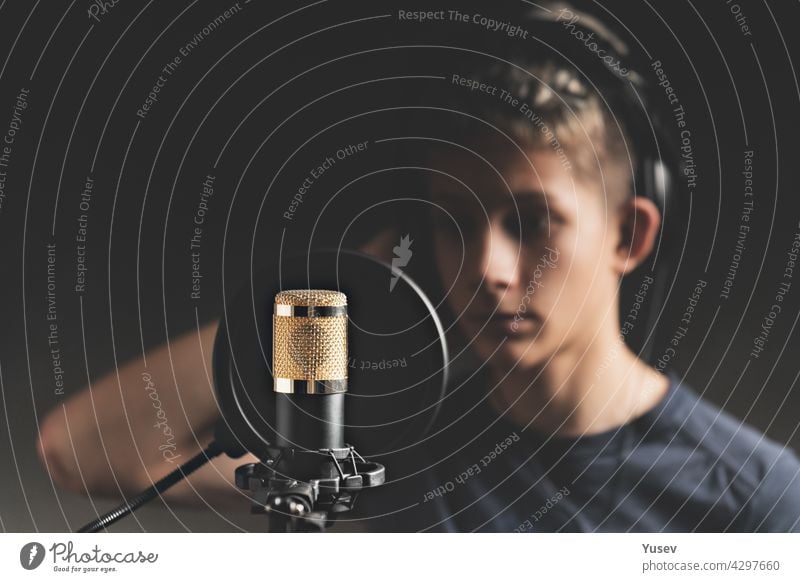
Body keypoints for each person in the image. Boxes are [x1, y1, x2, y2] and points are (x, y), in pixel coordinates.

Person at [37, 1, 800, 532]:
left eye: (531, 223)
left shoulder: (756, 500)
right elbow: (85, 451)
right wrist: (333, 288)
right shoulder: (398, 455)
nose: (491, 268)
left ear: (629, 236)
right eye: (454, 222)